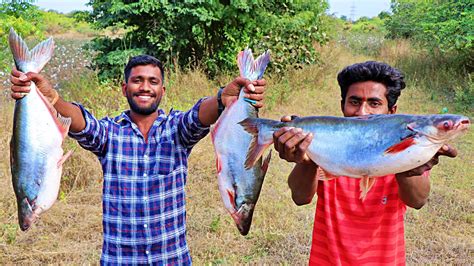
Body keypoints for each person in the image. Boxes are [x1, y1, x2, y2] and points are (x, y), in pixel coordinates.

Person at [9, 55, 267, 264]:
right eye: (137, 80)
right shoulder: (110, 134)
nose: (145, 87)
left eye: (153, 82)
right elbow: (82, 123)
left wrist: (223, 98)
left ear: (162, 90)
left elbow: (199, 116)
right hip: (118, 260)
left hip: (171, 259)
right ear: (124, 88)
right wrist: (52, 98)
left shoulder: (175, 130)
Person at [272, 61, 457, 265]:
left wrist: (408, 172)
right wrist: (306, 160)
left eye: (374, 104)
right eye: (354, 102)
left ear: (391, 111)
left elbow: (418, 201)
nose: (362, 112)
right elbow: (300, 197)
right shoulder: (327, 146)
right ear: (342, 105)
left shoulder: (406, 152)